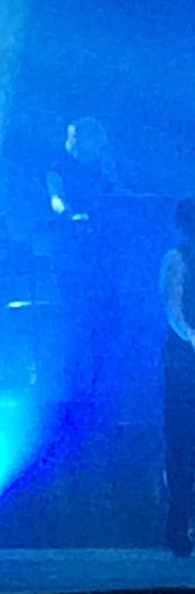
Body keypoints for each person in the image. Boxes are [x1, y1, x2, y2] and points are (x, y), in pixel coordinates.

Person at [162, 199, 195, 557]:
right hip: (184, 362)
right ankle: (178, 527)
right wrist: (192, 338)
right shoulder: (177, 258)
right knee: (183, 443)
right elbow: (173, 309)